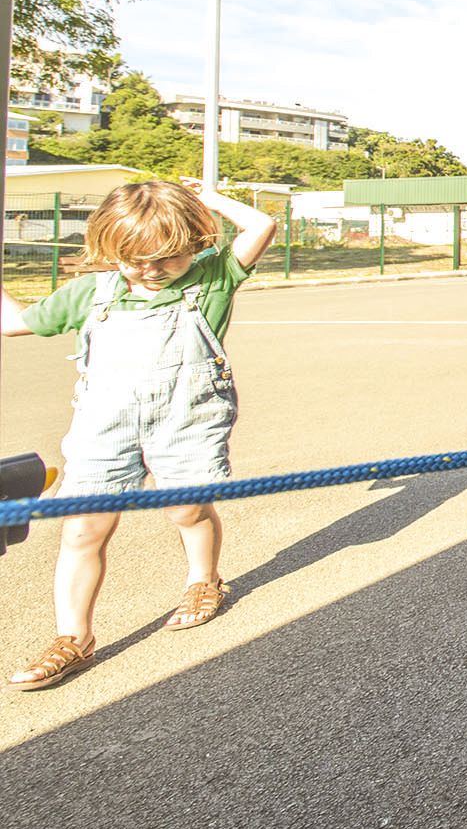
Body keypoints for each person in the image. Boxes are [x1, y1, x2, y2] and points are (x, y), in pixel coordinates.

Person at [2, 179, 277, 691]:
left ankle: (204, 580)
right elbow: (15, 322)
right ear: (109, 249)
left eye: (166, 259)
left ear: (195, 243)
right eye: (133, 259)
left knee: (187, 510)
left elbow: (262, 225)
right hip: (103, 429)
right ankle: (73, 638)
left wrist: (208, 199)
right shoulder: (91, 292)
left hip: (187, 422)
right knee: (81, 528)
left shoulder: (213, 277)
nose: (150, 271)